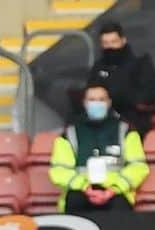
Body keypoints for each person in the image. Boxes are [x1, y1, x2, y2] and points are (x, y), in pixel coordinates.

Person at [49, 85, 149, 213]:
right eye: (92, 100)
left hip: (116, 194)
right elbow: (59, 170)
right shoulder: (70, 133)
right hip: (80, 194)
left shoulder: (126, 131)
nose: (97, 103)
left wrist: (113, 189)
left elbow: (138, 166)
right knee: (75, 200)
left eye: (101, 100)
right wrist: (85, 187)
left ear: (109, 103)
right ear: (84, 103)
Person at [86, 20, 155, 133]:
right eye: (105, 43)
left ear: (123, 41)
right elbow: (91, 91)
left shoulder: (141, 63)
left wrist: (118, 95)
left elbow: (148, 96)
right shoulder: (98, 66)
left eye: (113, 42)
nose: (110, 47)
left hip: (134, 122)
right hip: (100, 122)